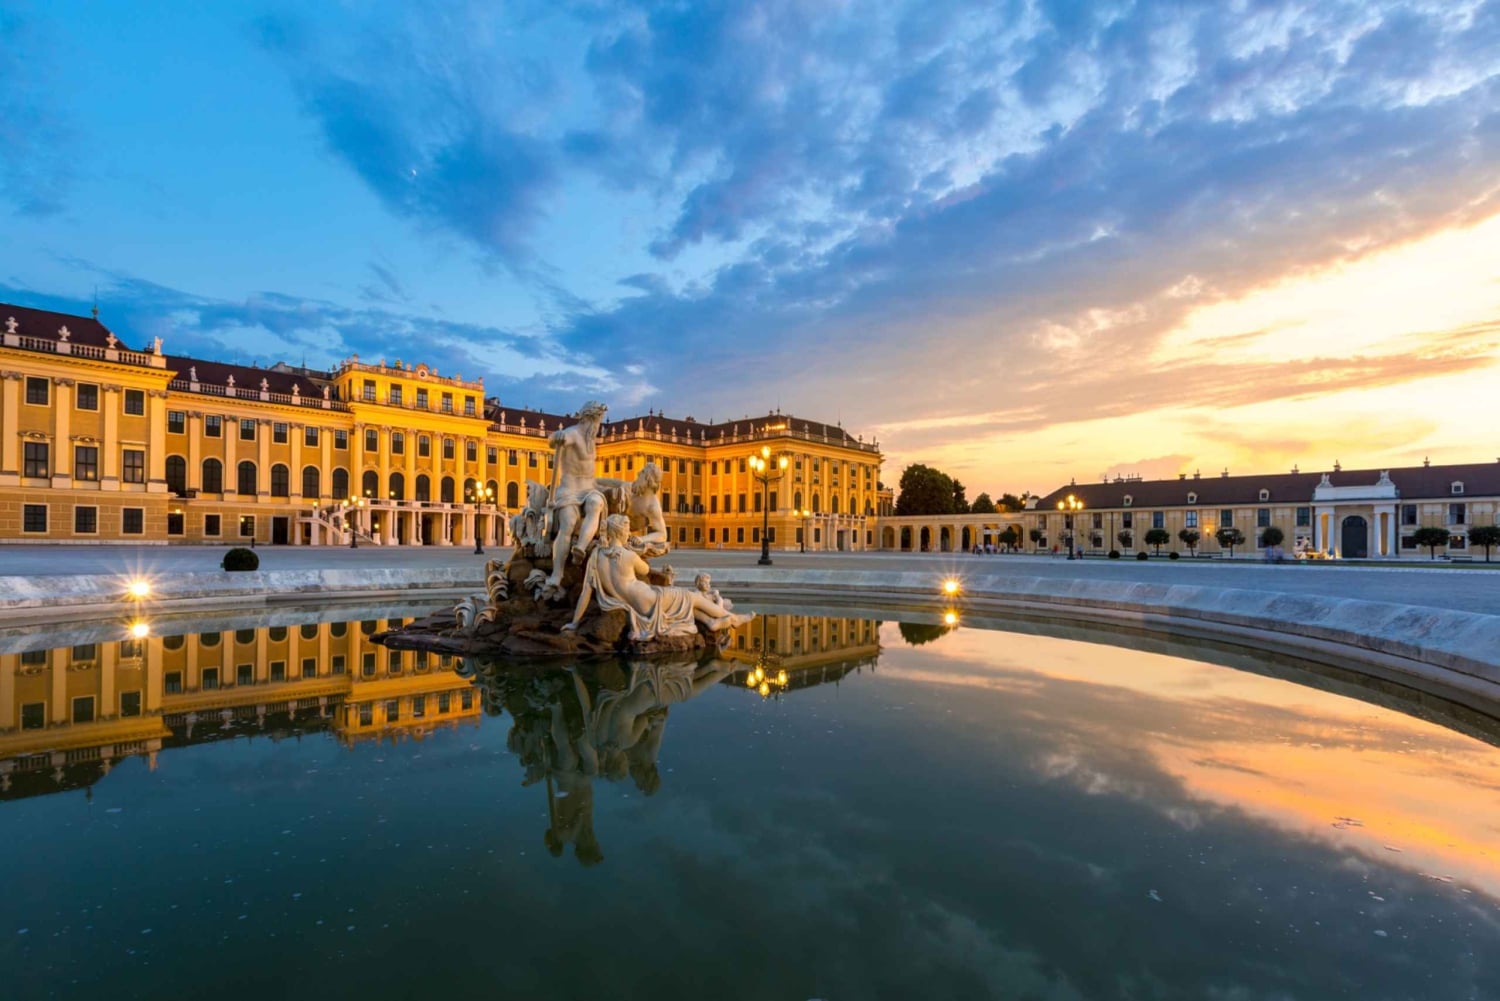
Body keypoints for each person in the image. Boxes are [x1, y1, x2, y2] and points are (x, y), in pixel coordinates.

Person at [563, 516, 751, 640]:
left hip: (637, 604)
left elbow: (586, 593)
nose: (629, 534)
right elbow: (645, 569)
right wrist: (639, 548)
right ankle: (732, 618)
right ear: (621, 532)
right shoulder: (628, 556)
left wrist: (574, 623)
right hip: (650, 600)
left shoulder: (596, 556)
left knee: (686, 604)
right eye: (627, 531)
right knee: (691, 596)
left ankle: (711, 622)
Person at [544, 401, 609, 591]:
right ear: (588, 419)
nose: (598, 426)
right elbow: (554, 440)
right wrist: (557, 437)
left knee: (596, 503)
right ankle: (557, 573)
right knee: (568, 523)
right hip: (569, 490)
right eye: (597, 421)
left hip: (589, 489)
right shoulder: (572, 433)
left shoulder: (591, 440)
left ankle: (580, 547)